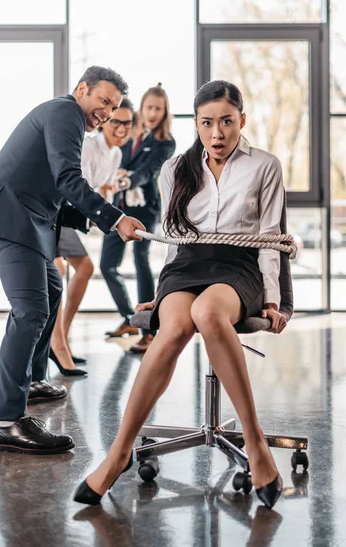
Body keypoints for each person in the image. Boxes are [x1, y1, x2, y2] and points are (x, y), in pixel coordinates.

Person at [74, 80, 286, 508]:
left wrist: (273, 297)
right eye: (207, 123)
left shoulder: (265, 165)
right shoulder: (176, 169)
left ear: (241, 121)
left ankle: (256, 443)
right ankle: (118, 454)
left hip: (237, 266)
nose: (217, 133)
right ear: (196, 124)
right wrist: (158, 293)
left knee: (208, 313)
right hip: (186, 264)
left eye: (227, 122)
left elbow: (268, 238)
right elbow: (172, 238)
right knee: (171, 328)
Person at [0, 66, 145, 455]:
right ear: (82, 90)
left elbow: (55, 187)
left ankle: (34, 380)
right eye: (103, 101)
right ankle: (5, 421)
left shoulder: (67, 116)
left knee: (53, 287)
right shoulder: (65, 114)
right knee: (30, 311)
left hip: (26, 223)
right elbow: (67, 179)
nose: (107, 112)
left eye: (113, 106)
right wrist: (114, 218)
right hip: (6, 220)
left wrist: (100, 219)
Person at [50, 98, 135, 374]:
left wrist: (107, 191)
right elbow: (78, 189)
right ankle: (57, 343)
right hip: (57, 212)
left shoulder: (117, 155)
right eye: (117, 121)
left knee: (83, 269)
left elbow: (100, 191)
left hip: (75, 218)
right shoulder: (88, 146)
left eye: (127, 123)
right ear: (106, 123)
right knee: (61, 270)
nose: (122, 128)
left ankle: (59, 338)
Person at [102, 84, 176, 353]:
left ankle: (148, 331)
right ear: (140, 110)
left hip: (145, 211)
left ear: (164, 111)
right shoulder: (127, 135)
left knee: (141, 261)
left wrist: (127, 180)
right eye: (149, 107)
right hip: (119, 210)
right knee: (107, 266)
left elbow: (148, 172)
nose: (153, 113)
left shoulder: (165, 142)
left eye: (158, 108)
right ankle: (129, 319)